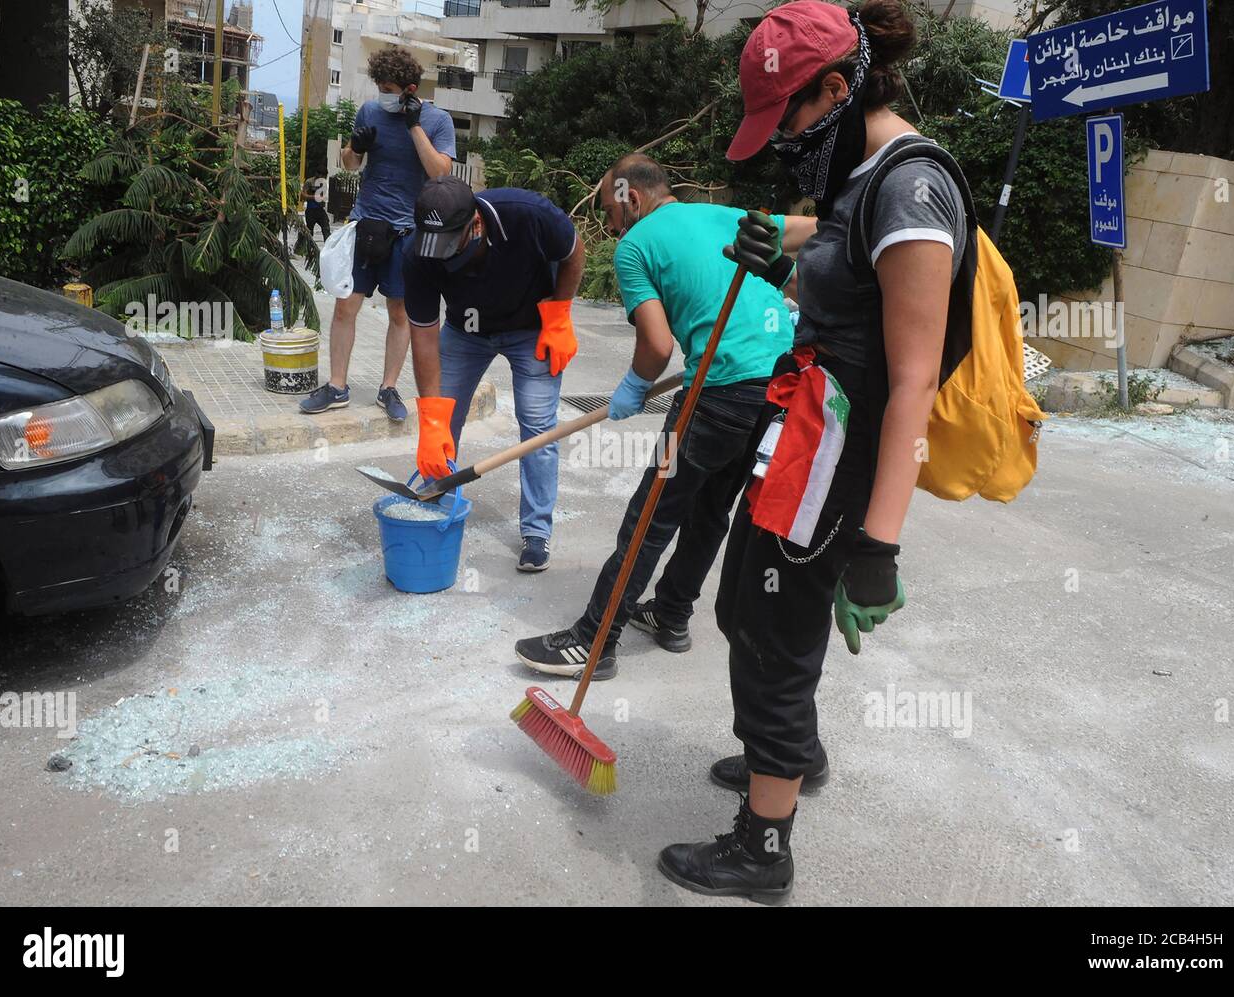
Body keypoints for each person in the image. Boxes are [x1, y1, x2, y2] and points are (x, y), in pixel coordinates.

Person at [658, 0, 970, 904]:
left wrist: (879, 544)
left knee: (771, 629)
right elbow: (842, 261)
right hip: (805, 425)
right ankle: (792, 751)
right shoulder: (857, 170)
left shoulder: (911, 190)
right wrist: (781, 248)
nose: (783, 143)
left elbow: (913, 378)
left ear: (837, 89)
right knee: (744, 608)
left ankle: (763, 847)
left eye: (786, 118)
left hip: (844, 451)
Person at [513, 155, 794, 682]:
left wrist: (635, 386)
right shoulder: (723, 216)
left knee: (650, 516)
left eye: (609, 213)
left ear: (631, 198)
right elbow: (808, 243)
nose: (608, 225)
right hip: (778, 392)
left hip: (719, 392)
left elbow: (658, 345)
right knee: (712, 510)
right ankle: (671, 613)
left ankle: (595, 640)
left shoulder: (635, 246)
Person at [403, 176, 585, 572]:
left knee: (538, 426)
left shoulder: (528, 215)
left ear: (476, 225)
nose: (442, 258)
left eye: (451, 245)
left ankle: (536, 532)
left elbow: (573, 253)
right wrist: (432, 419)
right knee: (442, 422)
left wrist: (559, 315)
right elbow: (423, 337)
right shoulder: (417, 253)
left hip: (531, 327)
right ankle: (433, 496)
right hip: (464, 334)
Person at [300, 47, 455, 423]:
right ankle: (337, 386)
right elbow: (349, 164)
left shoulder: (437, 120)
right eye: (379, 86)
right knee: (344, 306)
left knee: (399, 312)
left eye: (388, 88)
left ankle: (388, 388)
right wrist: (357, 148)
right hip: (366, 225)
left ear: (410, 89)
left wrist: (414, 126)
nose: (382, 94)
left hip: (408, 232)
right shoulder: (370, 112)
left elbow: (440, 172)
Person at [302, 170, 331, 243]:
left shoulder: (323, 183)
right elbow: (303, 195)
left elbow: (323, 197)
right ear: (317, 174)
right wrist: (314, 197)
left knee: (326, 228)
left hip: (320, 209)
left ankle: (328, 246)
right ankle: (309, 248)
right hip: (310, 210)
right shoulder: (309, 182)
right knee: (309, 230)